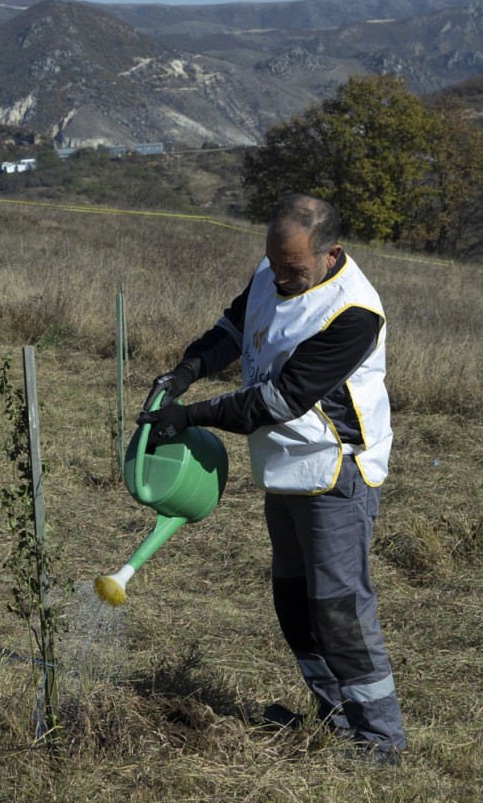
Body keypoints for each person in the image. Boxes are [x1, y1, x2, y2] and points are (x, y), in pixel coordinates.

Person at [136, 194, 404, 766]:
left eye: (294, 270)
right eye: (274, 264)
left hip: (334, 471)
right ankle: (333, 719)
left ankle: (380, 742)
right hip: (282, 470)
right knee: (292, 600)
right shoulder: (272, 269)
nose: (280, 278)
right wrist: (185, 371)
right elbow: (233, 327)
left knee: (338, 607)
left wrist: (192, 415)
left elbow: (280, 400)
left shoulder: (354, 313)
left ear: (331, 254)